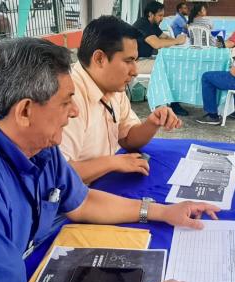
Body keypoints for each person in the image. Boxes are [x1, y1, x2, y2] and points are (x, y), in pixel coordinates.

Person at [0, 37, 217, 282]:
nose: (76, 111)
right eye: (66, 101)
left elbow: (81, 202)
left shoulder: (37, 143)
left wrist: (164, 212)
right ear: (26, 111)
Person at [61, 16, 182, 184]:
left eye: (136, 60)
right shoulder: (68, 98)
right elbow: (59, 174)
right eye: (129, 61)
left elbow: (127, 139)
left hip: (103, 183)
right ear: (99, 59)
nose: (135, 71)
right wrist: (113, 163)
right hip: (77, 199)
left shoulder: (113, 87)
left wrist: (152, 123)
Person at [133, 1, 189, 116]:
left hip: (145, 59)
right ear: (150, 14)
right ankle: (173, 103)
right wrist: (177, 41)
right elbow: (157, 44)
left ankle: (172, 100)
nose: (162, 18)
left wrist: (176, 40)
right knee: (169, 68)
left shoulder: (153, 25)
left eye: (163, 15)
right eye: (160, 15)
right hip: (135, 62)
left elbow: (165, 38)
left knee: (171, 65)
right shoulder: (143, 24)